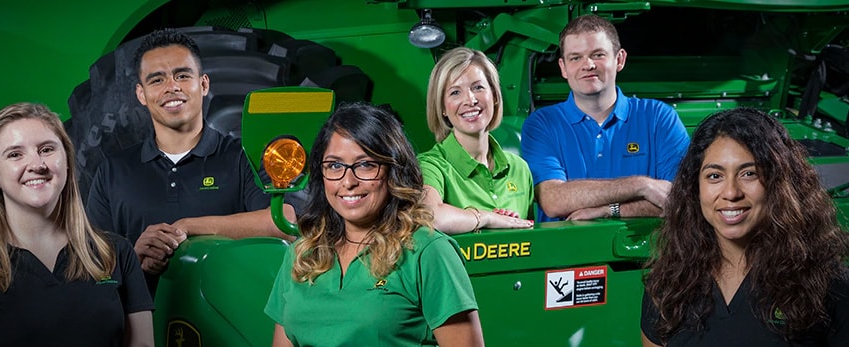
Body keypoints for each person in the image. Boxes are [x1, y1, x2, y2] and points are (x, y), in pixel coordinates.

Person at [640, 108, 849, 346]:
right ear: (695, 188)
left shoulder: (823, 283)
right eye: (714, 176)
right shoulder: (668, 286)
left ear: (778, 182)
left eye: (749, 173)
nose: (730, 192)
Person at [0, 103, 153, 346]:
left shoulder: (116, 253)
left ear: (67, 162)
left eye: (46, 149)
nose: (37, 164)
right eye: (15, 154)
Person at [84, 28, 294, 287]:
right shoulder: (113, 171)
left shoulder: (243, 157)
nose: (171, 87)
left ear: (203, 84)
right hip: (143, 321)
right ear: (141, 94)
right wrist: (134, 260)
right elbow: (91, 263)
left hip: (228, 319)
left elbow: (283, 222)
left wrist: (188, 227)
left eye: (182, 75)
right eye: (157, 80)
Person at [265, 102, 484, 347]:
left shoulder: (428, 252)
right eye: (335, 165)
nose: (348, 181)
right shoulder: (302, 254)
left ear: (394, 170)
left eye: (366, 165)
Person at [520, 15, 690, 221]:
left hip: (649, 250)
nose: (588, 64)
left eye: (598, 54)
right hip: (567, 251)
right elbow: (554, 200)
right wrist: (642, 186)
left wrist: (609, 210)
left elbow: (683, 201)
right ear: (563, 68)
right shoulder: (542, 124)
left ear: (619, 59)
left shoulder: (659, 118)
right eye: (575, 58)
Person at [418, 47, 536, 234]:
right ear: (442, 107)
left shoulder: (519, 169)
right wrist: (487, 217)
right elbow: (429, 216)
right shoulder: (430, 166)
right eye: (455, 92)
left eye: (478, 87)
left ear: (495, 96)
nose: (470, 100)